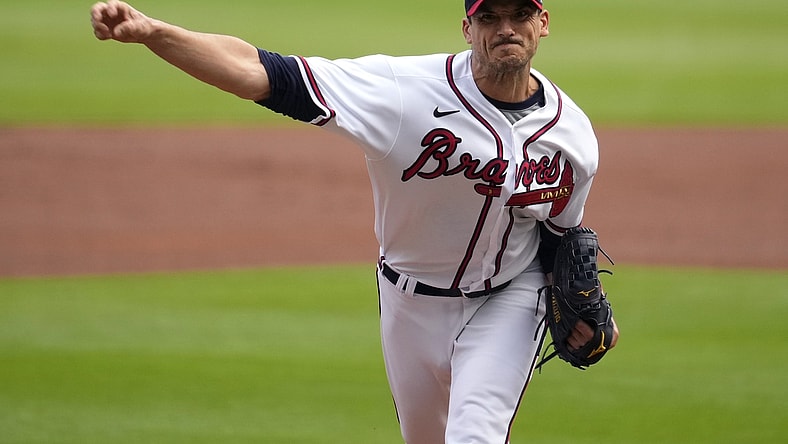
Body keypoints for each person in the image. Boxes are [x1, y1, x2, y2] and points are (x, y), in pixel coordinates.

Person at [90, 0, 619, 442]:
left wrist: (596, 312)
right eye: (489, 17)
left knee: (475, 434)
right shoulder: (402, 90)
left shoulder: (572, 135)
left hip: (506, 298)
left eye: (520, 13)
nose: (506, 28)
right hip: (408, 304)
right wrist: (156, 33)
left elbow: (560, 237)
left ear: (542, 22)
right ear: (467, 28)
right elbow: (262, 72)